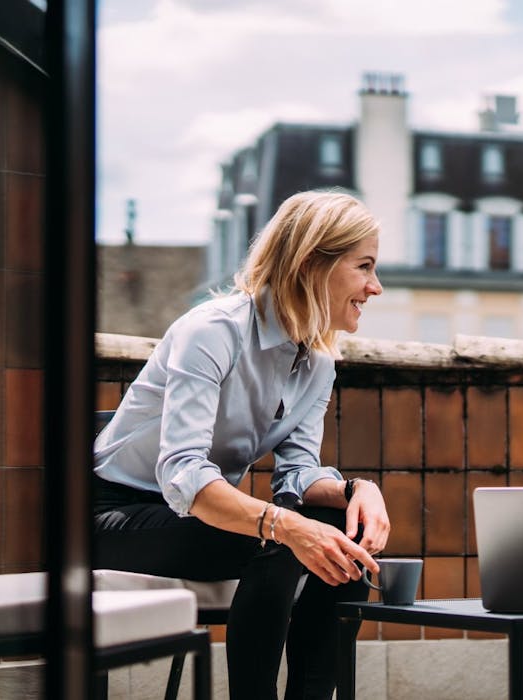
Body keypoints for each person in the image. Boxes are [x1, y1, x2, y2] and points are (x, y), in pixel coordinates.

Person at [92, 190, 391, 700]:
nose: (375, 287)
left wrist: (356, 491)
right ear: (313, 263)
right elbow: (184, 473)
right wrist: (285, 524)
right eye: (363, 267)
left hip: (193, 519)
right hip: (113, 516)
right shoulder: (212, 332)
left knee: (346, 540)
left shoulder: (317, 361)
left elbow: (296, 474)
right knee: (279, 541)